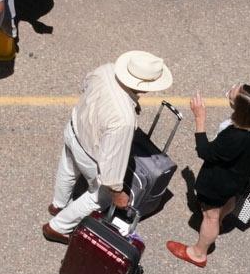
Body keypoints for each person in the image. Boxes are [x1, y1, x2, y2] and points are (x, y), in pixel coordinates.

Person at [43, 50, 174, 244]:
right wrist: (117, 194)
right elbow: (111, 167)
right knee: (99, 197)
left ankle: (58, 205)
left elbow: (86, 85)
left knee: (69, 168)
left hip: (75, 128)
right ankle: (57, 227)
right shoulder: (124, 120)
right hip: (90, 152)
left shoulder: (106, 70)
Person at [169, 84, 250, 268]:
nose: (229, 91)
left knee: (210, 216)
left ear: (241, 112)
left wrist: (199, 118)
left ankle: (198, 253)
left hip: (220, 183)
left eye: (232, 95)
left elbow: (205, 152)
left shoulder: (235, 136)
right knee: (229, 201)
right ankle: (221, 218)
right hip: (241, 175)